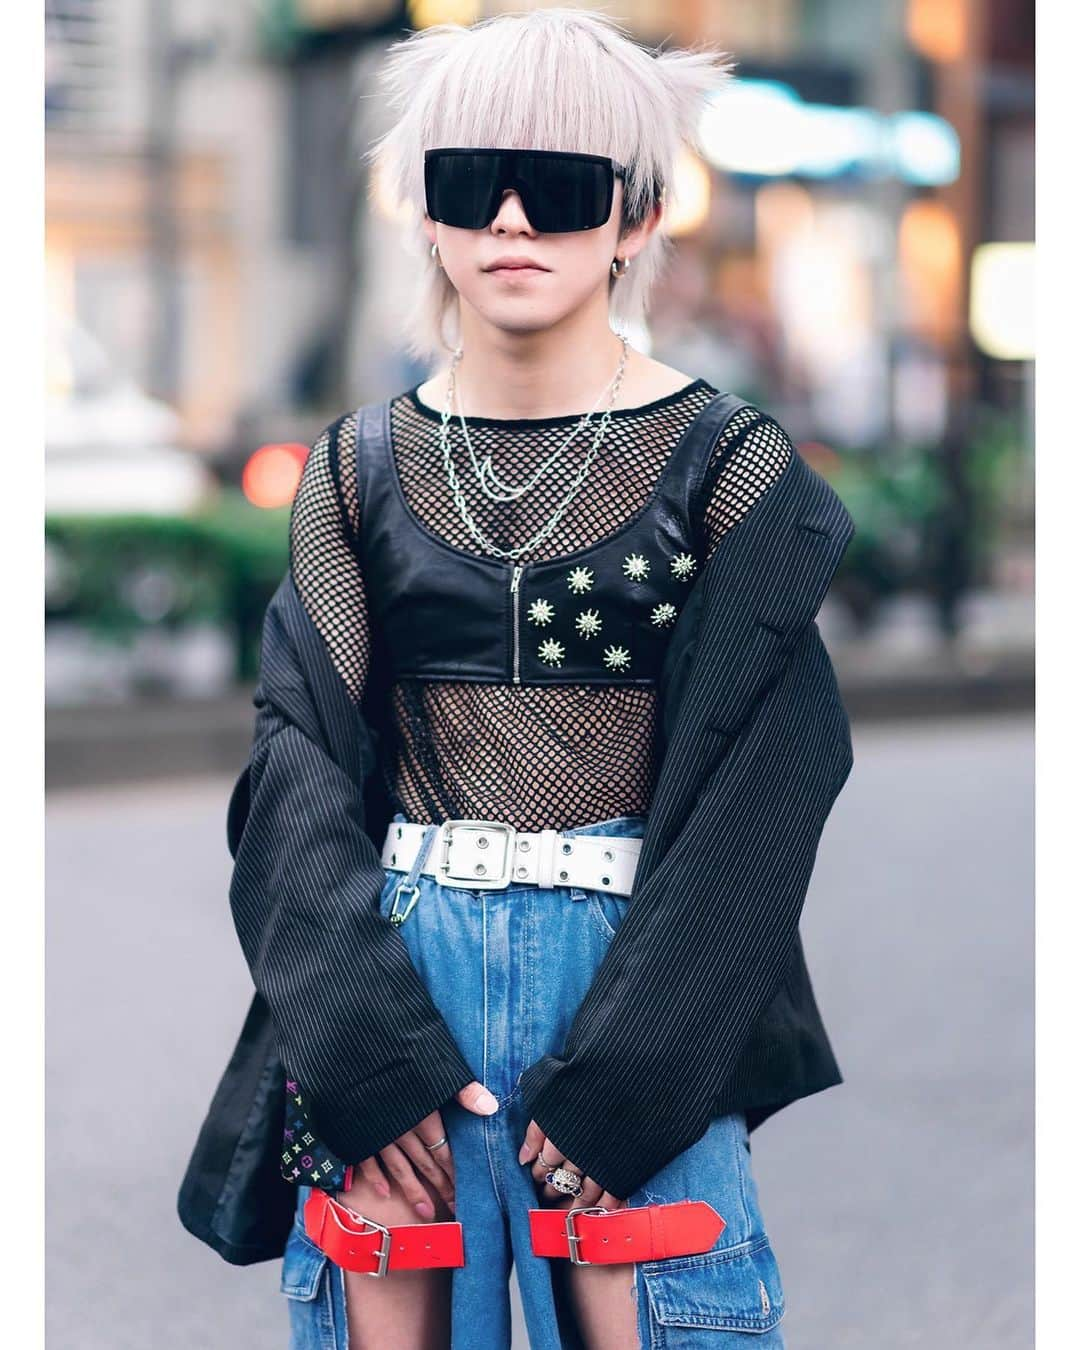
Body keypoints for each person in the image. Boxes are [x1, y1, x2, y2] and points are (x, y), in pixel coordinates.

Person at [203, 9, 856, 1348]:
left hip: (638, 988)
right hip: (395, 980)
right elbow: (292, 772)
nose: (509, 218)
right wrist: (365, 1057)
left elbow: (766, 787)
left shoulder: (729, 473)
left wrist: (639, 1079)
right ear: (426, 215)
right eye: (468, 182)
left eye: (557, 189)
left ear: (634, 217)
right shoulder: (356, 469)